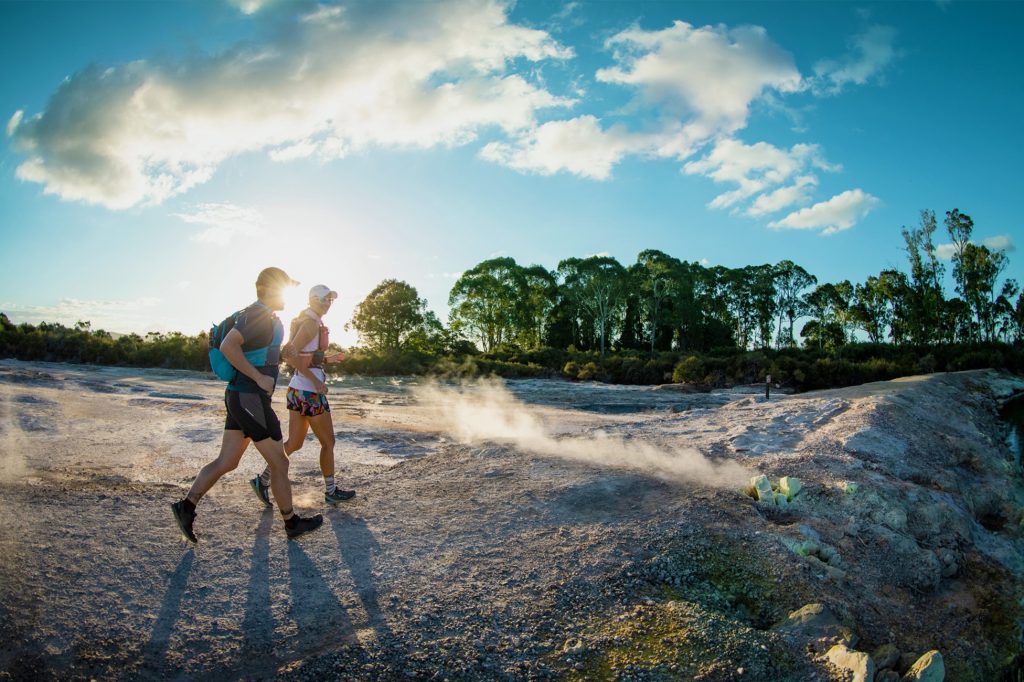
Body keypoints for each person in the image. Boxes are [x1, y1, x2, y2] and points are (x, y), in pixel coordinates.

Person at [171, 267, 324, 543]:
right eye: (283, 287)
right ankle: (291, 523)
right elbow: (230, 346)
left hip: (240, 396)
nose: (287, 294)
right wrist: (258, 378)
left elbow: (263, 353)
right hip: (249, 397)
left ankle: (186, 506)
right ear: (267, 290)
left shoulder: (262, 316)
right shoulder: (259, 315)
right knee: (280, 462)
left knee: (227, 461)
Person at [250, 284, 356, 507]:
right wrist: (316, 381)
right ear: (314, 300)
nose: (328, 304)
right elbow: (289, 353)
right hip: (309, 392)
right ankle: (330, 491)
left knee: (295, 443)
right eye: (325, 299)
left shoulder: (312, 321)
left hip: (298, 390)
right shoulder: (309, 323)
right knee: (328, 442)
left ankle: (263, 480)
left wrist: (328, 360)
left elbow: (304, 357)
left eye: (331, 300)